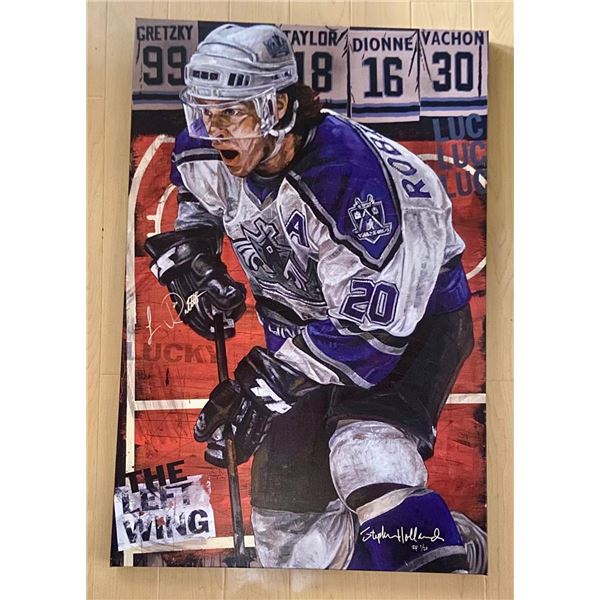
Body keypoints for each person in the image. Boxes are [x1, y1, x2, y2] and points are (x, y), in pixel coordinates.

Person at [145, 23, 487, 573]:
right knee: (287, 539)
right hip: (301, 333)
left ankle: (446, 557)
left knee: (365, 452)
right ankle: (432, 542)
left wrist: (262, 389)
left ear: (278, 106)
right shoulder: (210, 146)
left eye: (231, 113)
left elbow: (371, 337)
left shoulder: (358, 186)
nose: (212, 130)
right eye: (204, 112)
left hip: (408, 328)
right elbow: (200, 198)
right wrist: (195, 256)